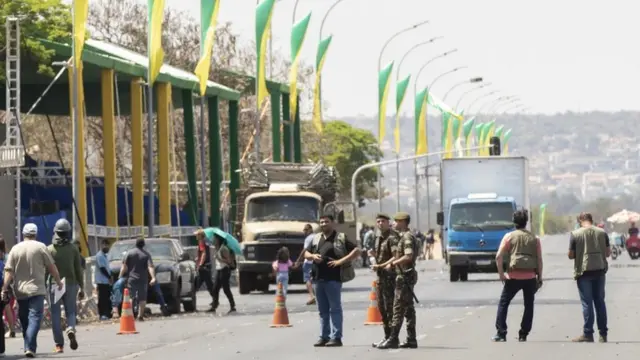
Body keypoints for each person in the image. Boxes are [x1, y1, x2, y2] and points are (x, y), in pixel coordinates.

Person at [2, 224, 63, 358]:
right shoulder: (41, 247)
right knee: (35, 318)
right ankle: (29, 346)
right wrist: (58, 281)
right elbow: (52, 267)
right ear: (35, 233)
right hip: (37, 290)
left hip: (20, 290)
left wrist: (4, 288)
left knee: (24, 320)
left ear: (23, 234)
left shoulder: (15, 249)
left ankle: (28, 347)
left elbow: (9, 271)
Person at [304, 213, 360, 347]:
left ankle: (336, 337)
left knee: (334, 308)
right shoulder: (316, 238)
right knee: (322, 310)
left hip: (333, 279)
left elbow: (356, 250)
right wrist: (312, 256)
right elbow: (306, 253)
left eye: (326, 222)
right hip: (318, 279)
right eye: (321, 222)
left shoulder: (341, 237)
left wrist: (340, 261)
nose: (324, 224)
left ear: (333, 223)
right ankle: (324, 336)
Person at [492, 210, 542, 342]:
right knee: (529, 305)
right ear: (526, 222)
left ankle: (501, 333)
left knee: (504, 303)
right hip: (530, 277)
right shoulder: (534, 238)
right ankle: (523, 333)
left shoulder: (509, 237)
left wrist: (502, 274)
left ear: (514, 222)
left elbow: (498, 256)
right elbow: (539, 260)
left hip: (513, 276)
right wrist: (539, 277)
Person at [376, 212, 419, 349]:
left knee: (398, 308)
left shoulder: (406, 237)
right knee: (408, 309)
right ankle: (411, 339)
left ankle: (393, 338)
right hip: (406, 275)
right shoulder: (405, 236)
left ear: (403, 222)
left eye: (396, 221)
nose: (394, 223)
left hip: (404, 275)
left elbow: (408, 256)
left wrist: (393, 264)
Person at [569, 212, 610, 343]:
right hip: (599, 271)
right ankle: (603, 334)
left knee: (587, 303)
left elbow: (571, 255)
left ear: (581, 220)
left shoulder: (575, 234)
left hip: (584, 272)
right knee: (600, 302)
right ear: (591, 220)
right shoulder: (602, 233)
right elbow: (608, 253)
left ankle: (588, 333)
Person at [47, 219, 85, 353]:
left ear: (56, 232)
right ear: (68, 232)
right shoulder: (73, 248)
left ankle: (59, 345)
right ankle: (71, 328)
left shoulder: (49, 249)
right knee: (71, 311)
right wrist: (82, 286)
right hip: (70, 283)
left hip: (54, 285)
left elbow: (46, 270)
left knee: (55, 315)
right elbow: (78, 269)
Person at [369, 214, 399, 348]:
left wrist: (380, 265)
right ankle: (387, 336)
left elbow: (396, 256)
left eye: (383, 221)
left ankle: (393, 338)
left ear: (388, 223)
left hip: (390, 277)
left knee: (390, 308)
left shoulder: (392, 238)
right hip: (381, 277)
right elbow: (381, 255)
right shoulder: (378, 238)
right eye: (378, 221)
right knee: (381, 308)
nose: (380, 224)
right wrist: (373, 256)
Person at [118, 238, 156, 321]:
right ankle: (140, 316)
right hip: (143, 279)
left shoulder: (129, 253)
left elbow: (124, 267)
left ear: (136, 244)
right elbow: (150, 267)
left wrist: (120, 276)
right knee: (142, 299)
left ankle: (130, 315)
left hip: (131, 279)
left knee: (131, 297)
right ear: (144, 245)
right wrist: (153, 278)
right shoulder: (146, 254)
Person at [212, 234, 236, 314]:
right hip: (219, 270)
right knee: (215, 288)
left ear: (219, 240)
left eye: (215, 239)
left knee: (226, 289)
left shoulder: (224, 249)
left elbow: (229, 261)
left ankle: (233, 306)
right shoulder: (218, 248)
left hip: (225, 270)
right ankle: (214, 306)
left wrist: (219, 259)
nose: (214, 240)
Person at [294, 224, 316, 305]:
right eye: (304, 230)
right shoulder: (317, 236)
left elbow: (304, 250)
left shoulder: (308, 238)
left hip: (308, 262)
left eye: (306, 230)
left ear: (310, 229)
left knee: (307, 279)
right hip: (316, 261)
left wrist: (298, 261)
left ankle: (312, 296)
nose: (305, 232)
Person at [195, 230, 216, 311]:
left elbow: (204, 253)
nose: (196, 236)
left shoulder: (201, 242)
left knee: (197, 285)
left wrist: (200, 263)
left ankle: (215, 301)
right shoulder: (205, 242)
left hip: (203, 268)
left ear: (200, 235)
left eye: (197, 235)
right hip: (206, 267)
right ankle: (215, 301)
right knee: (209, 285)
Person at [0, 236, 15, 339]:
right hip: (7, 283)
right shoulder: (7, 256)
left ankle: (10, 329)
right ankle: (12, 329)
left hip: (2, 283)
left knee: (6, 307)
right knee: (7, 306)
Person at [95, 239, 113, 321]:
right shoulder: (100, 256)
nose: (108, 248)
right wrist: (109, 277)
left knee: (107, 298)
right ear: (102, 245)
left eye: (108, 246)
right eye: (106, 245)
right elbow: (102, 268)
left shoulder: (104, 256)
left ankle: (108, 314)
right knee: (102, 299)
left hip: (105, 281)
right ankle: (103, 314)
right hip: (102, 281)